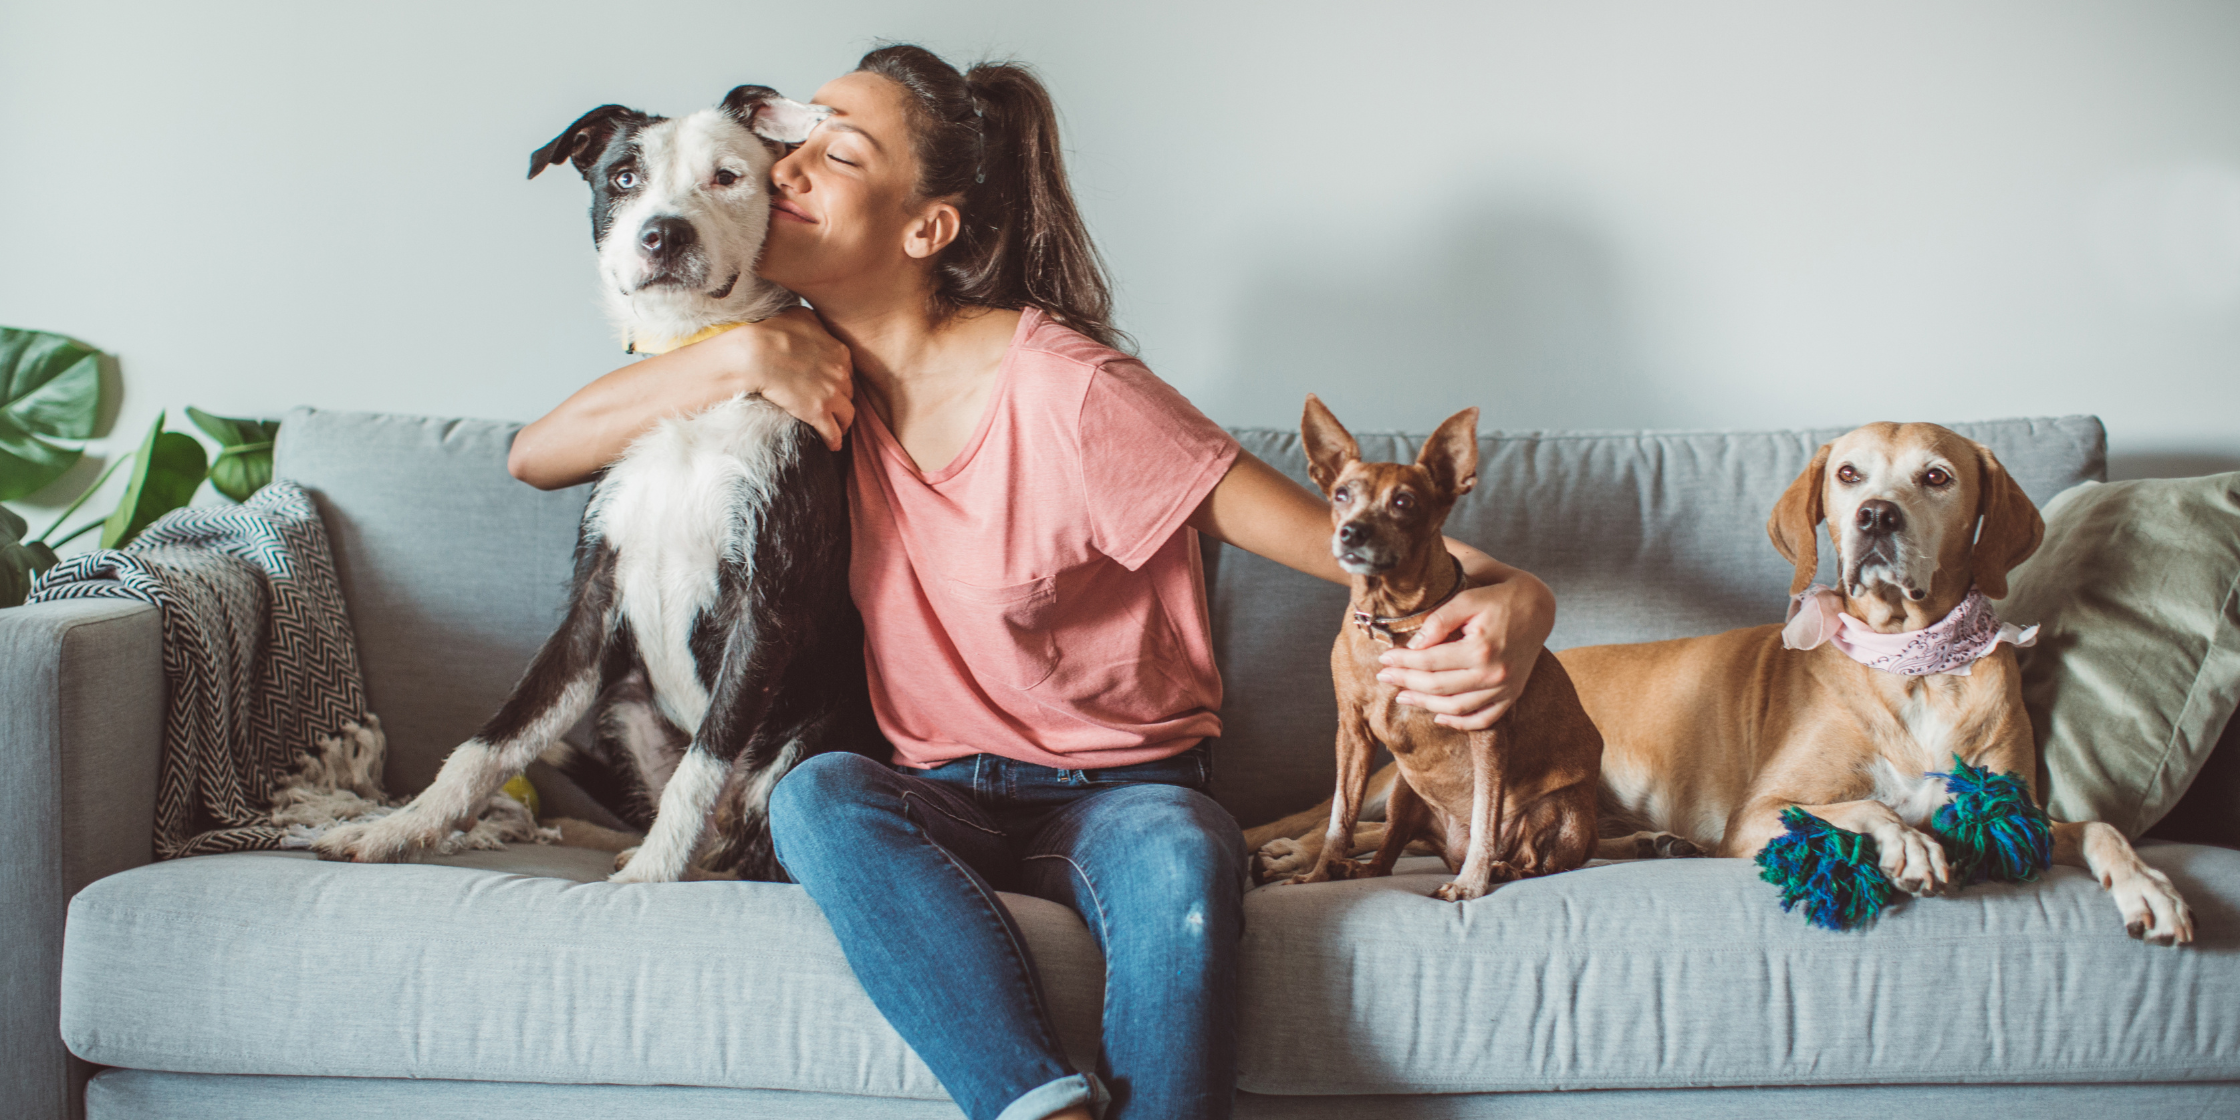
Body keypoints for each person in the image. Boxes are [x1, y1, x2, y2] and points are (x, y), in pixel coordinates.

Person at [506, 44, 1555, 1120]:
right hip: (932, 787)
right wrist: (733, 360)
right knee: (817, 794)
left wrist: (1521, 599)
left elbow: (1335, 540)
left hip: (1122, 793)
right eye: (797, 138)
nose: (788, 167)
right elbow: (536, 455)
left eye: (838, 151)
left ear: (926, 228)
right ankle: (1040, 1107)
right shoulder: (790, 363)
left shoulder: (1071, 390)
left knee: (1184, 861)